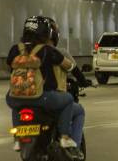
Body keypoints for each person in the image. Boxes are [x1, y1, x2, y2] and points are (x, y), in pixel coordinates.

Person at [6, 16, 78, 150]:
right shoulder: (47, 50)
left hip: (13, 97)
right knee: (68, 99)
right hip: (41, 97)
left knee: (17, 102)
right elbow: (68, 66)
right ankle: (64, 137)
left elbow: (8, 67)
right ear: (47, 33)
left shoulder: (15, 49)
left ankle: (17, 139)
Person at [46, 18, 93, 149]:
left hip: (27, 99)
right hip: (50, 98)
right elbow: (74, 69)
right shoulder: (58, 53)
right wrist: (83, 81)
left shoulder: (26, 53)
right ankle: (73, 147)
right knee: (77, 110)